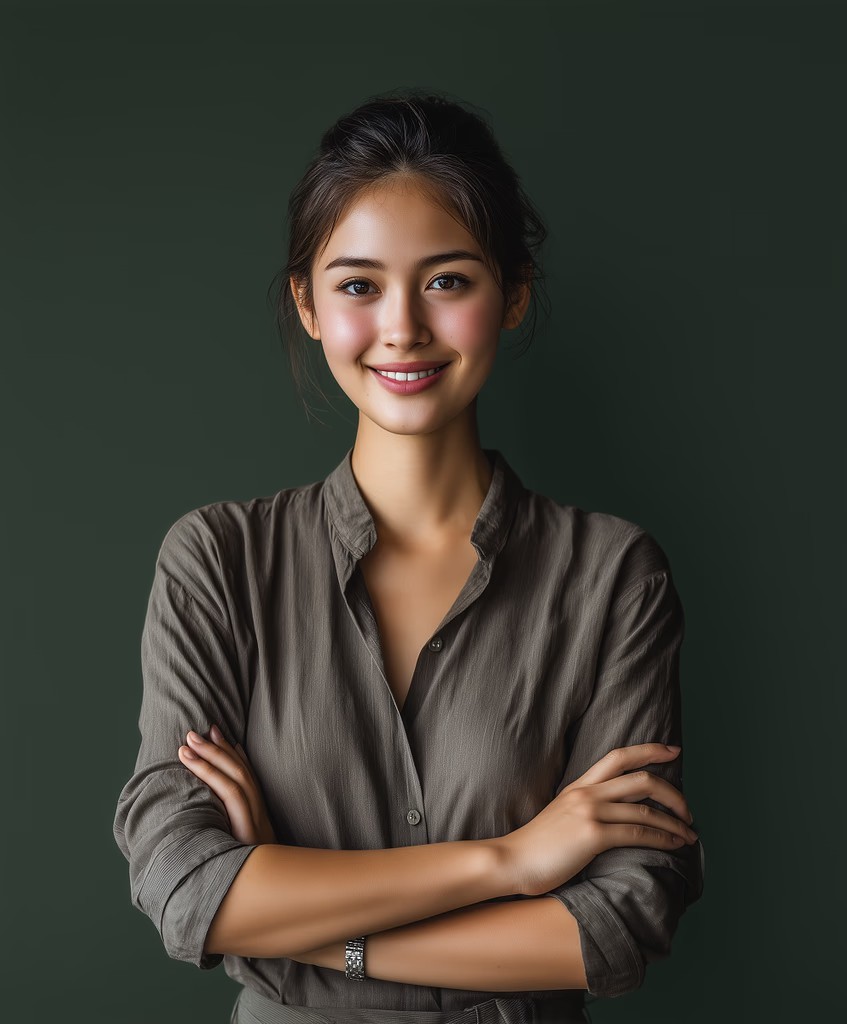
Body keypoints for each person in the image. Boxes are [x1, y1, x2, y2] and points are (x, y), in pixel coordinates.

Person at [113, 89, 704, 1024]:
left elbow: (619, 920)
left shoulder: (612, 577)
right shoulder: (217, 561)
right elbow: (185, 885)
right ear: (306, 302)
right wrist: (507, 861)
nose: (402, 328)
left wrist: (299, 921)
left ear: (512, 292)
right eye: (357, 285)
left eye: (447, 280)